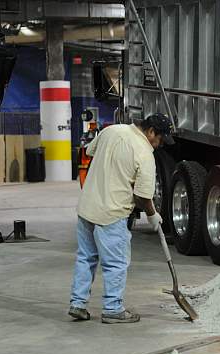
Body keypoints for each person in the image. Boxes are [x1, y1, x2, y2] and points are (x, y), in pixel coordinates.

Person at [68, 113, 175, 324]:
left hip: (87, 207)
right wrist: (153, 215)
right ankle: (113, 309)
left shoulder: (112, 130)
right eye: (160, 139)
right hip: (111, 213)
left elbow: (90, 151)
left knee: (86, 257)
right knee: (116, 263)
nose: (160, 144)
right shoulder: (145, 153)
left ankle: (78, 304)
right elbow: (143, 196)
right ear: (151, 131)